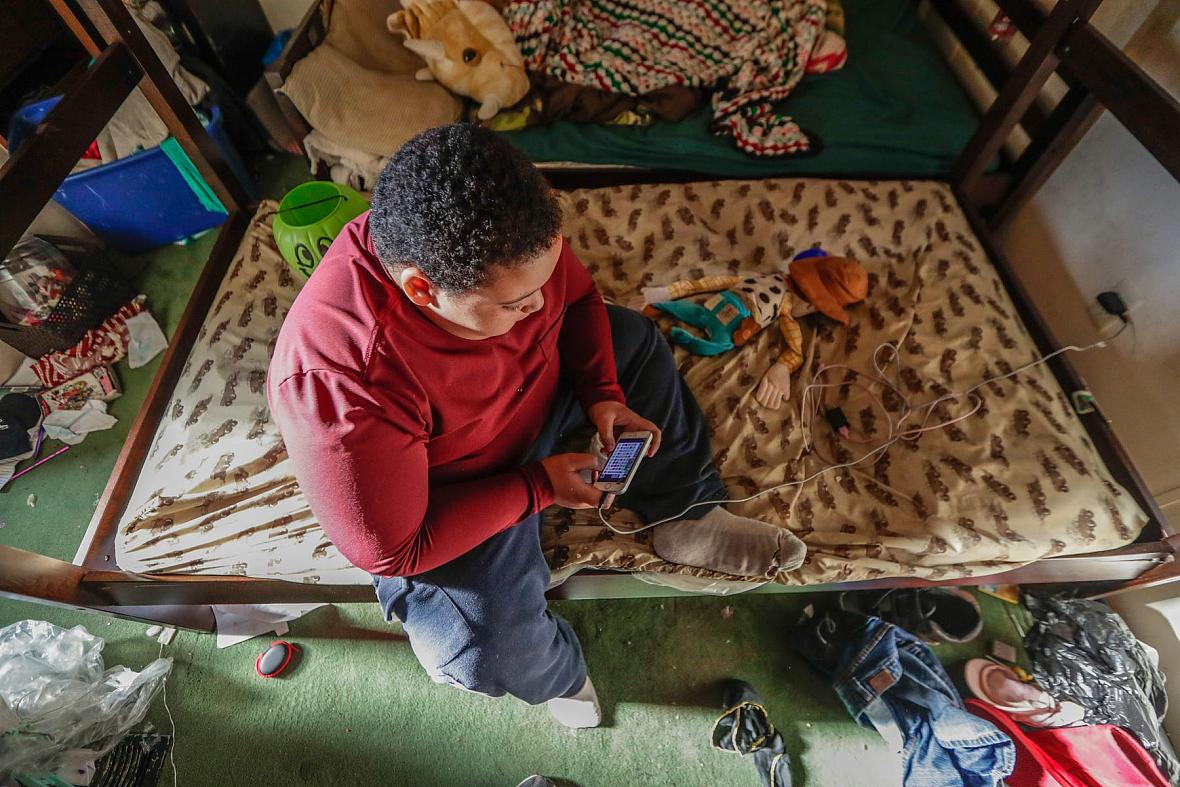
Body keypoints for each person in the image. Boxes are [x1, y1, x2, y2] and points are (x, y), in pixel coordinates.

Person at [267, 123, 804, 728]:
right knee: (479, 648)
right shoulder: (346, 386)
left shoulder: (504, 237)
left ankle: (685, 511)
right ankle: (560, 677)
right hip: (457, 485)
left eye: (544, 281)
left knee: (634, 338)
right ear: (423, 290)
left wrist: (602, 394)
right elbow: (395, 548)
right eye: (517, 304)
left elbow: (578, 301)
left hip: (536, 392)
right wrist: (539, 486)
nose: (540, 305)